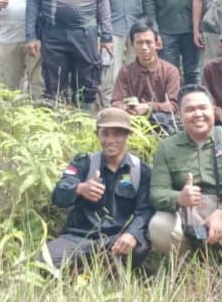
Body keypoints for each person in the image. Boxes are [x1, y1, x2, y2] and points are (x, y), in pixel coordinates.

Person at [148, 85, 222, 255]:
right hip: (188, 214)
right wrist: (179, 197)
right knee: (159, 225)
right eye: (190, 109)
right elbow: (156, 192)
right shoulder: (167, 147)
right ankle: (189, 259)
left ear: (213, 110)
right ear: (179, 115)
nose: (198, 114)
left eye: (203, 108)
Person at [43, 108, 153, 274]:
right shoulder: (84, 163)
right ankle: (91, 269)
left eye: (117, 134)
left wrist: (132, 234)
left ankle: (93, 270)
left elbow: (145, 211)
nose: (110, 140)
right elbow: (58, 195)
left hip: (115, 238)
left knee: (139, 247)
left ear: (128, 135)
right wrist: (80, 189)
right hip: (78, 238)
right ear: (97, 135)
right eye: (105, 134)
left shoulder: (140, 171)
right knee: (45, 261)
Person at [110, 18, 181, 134]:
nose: (144, 47)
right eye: (139, 43)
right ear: (132, 44)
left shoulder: (170, 71)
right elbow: (115, 101)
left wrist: (149, 107)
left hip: (161, 125)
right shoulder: (125, 72)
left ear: (157, 44)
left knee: (161, 118)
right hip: (132, 122)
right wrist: (125, 108)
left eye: (148, 42)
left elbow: (173, 106)